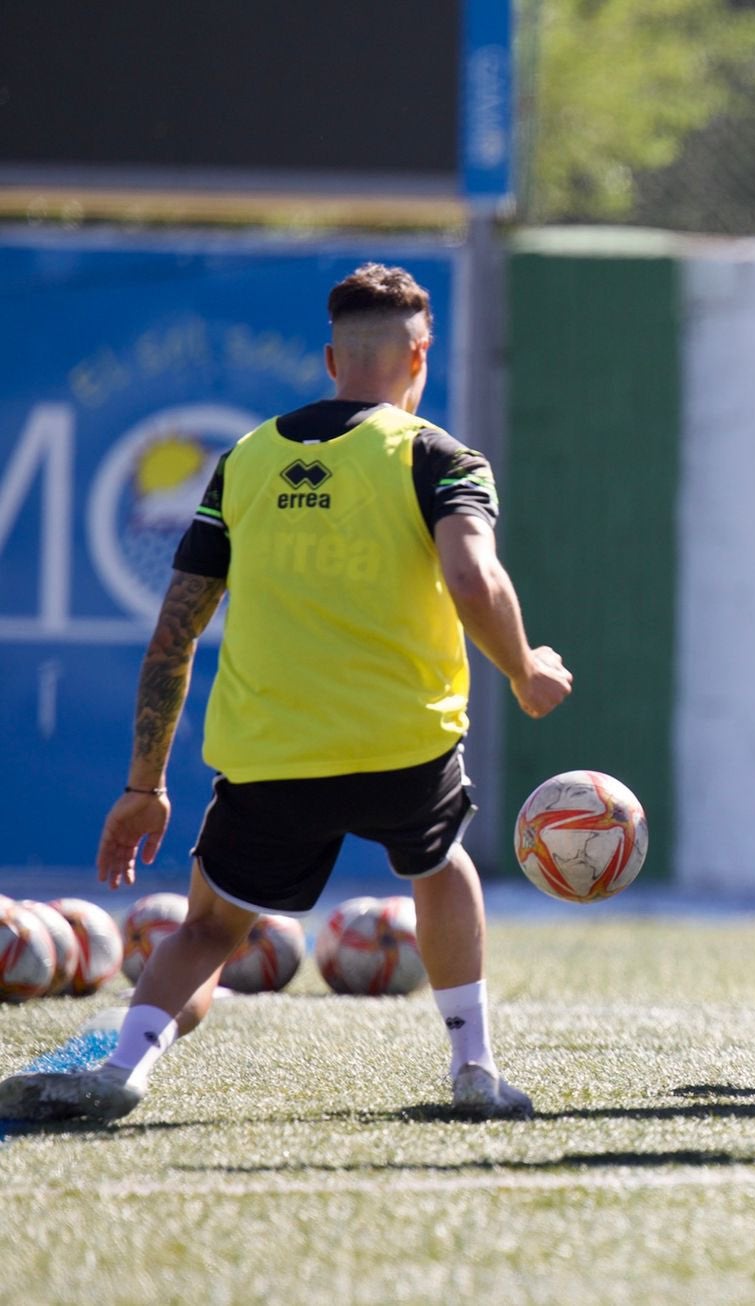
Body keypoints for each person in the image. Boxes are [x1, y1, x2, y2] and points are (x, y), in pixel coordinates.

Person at [0, 264, 572, 1124]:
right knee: (440, 862)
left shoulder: (247, 460)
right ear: (420, 358)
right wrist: (526, 667)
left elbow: (173, 637)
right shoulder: (439, 456)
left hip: (270, 752)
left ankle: (124, 1064)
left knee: (207, 932)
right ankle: (474, 1069)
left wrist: (144, 787)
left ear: (331, 359)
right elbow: (470, 573)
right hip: (402, 741)